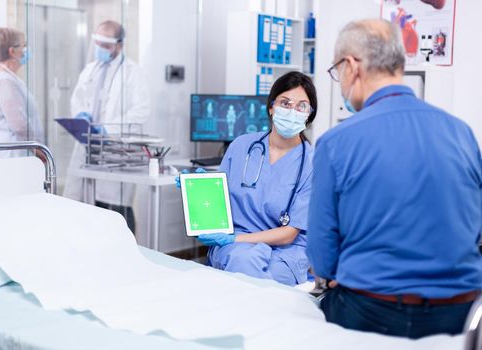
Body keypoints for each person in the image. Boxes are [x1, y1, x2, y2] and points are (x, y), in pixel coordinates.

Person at [307, 18, 482, 338]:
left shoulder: (336, 142)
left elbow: (322, 257)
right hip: (464, 314)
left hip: (372, 312)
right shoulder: (462, 134)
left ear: (351, 66)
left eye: (337, 71)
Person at [181, 72, 317, 286]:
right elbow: (219, 203)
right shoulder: (241, 146)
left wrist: (235, 240)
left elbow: (289, 234)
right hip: (236, 244)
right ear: (271, 107)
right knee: (245, 266)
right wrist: (198, 189)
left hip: (283, 252)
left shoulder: (311, 163)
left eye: (301, 106)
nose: (292, 111)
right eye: (285, 103)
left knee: (245, 271)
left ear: (308, 115)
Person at [64, 20, 150, 231]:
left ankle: (127, 254)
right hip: (87, 146)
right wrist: (80, 116)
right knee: (86, 208)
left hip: (114, 148)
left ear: (119, 45)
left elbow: (142, 110)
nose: (100, 49)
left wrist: (109, 129)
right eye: (98, 43)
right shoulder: (90, 70)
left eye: (106, 45)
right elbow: (77, 100)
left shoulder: (133, 73)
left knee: (116, 210)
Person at [0, 27, 43, 157]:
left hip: (15, 154)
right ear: (12, 51)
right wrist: (41, 152)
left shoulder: (7, 78)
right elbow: (19, 126)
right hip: (12, 156)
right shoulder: (5, 82)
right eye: (24, 46)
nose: (26, 50)